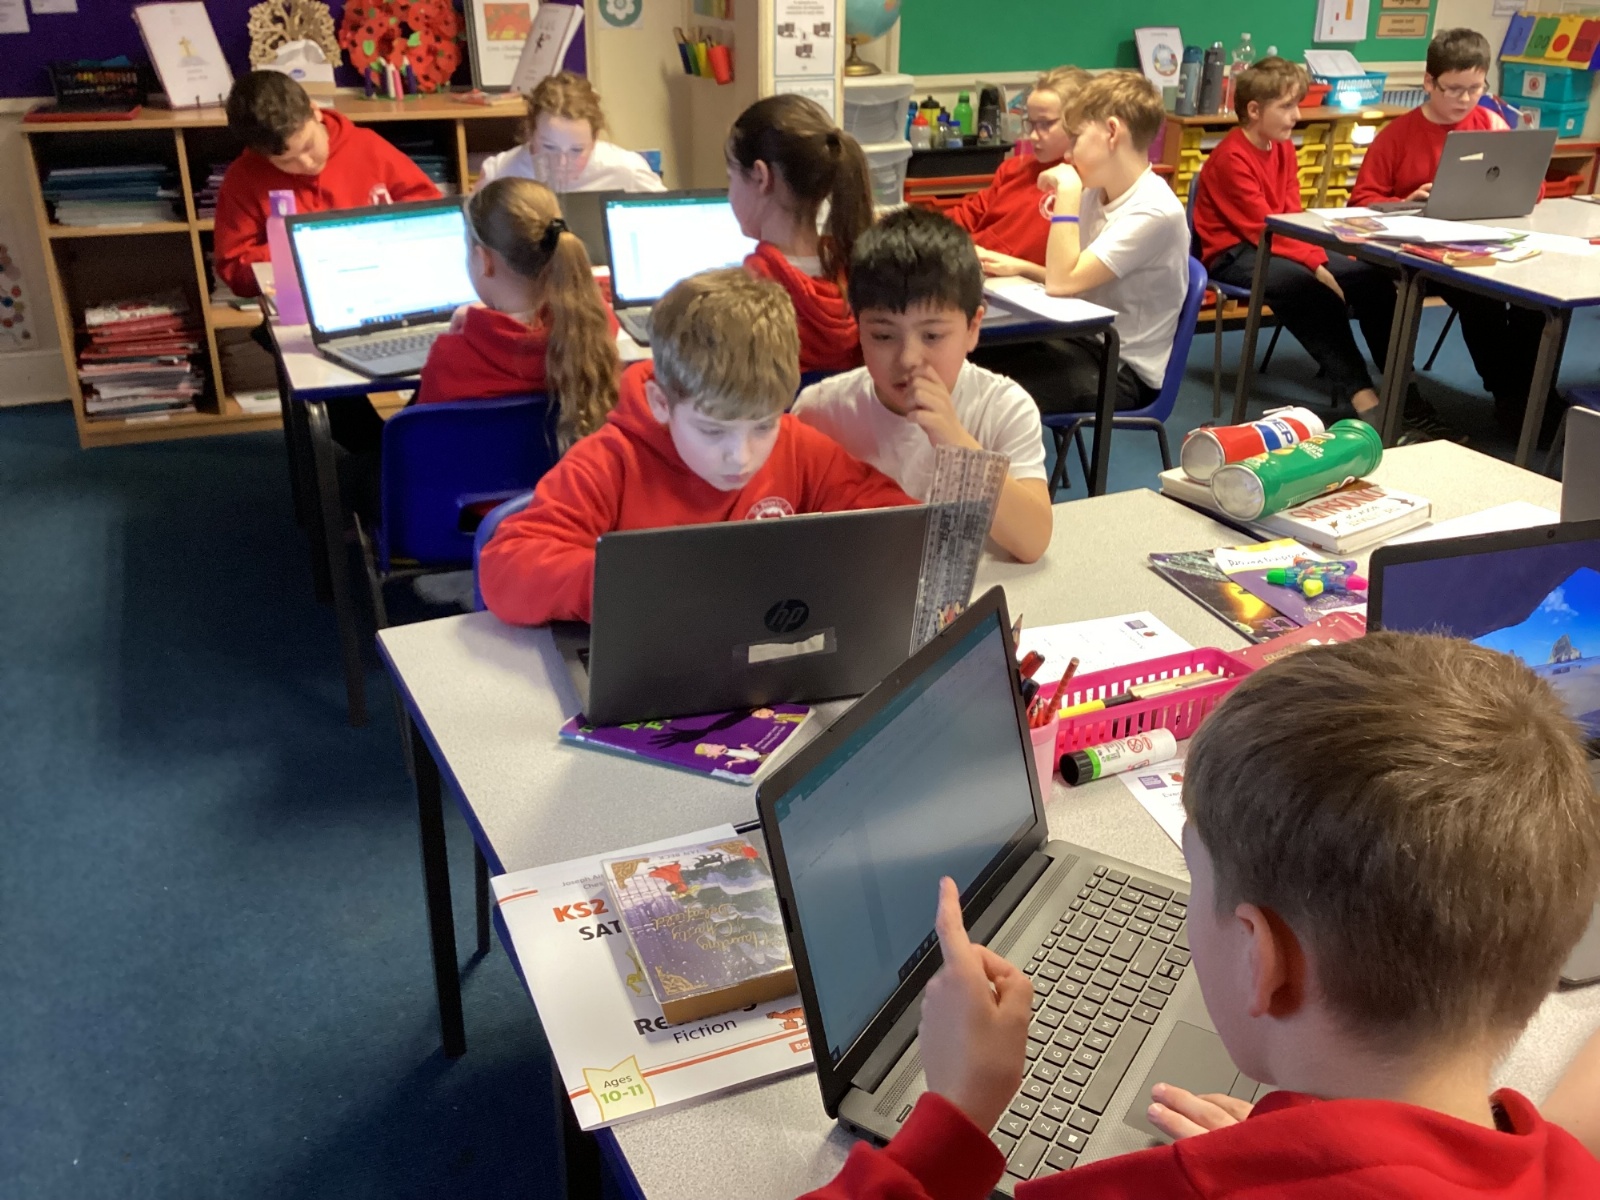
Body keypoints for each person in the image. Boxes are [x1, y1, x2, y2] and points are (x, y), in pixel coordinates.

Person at [801, 633, 1600, 1198]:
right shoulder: (1571, 1173)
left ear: (1262, 960)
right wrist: (1286, 1157)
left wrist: (951, 1120)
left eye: (1194, 880)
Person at [479, 270, 914, 626]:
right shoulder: (610, 463)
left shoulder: (797, 447)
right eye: (712, 431)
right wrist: (627, 586)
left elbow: (903, 526)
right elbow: (506, 566)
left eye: (762, 426)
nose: (741, 456)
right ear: (661, 404)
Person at [792, 207, 1052, 563]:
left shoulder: (1002, 406)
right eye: (883, 335)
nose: (909, 358)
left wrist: (956, 440)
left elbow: (1033, 541)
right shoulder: (820, 411)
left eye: (932, 335)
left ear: (973, 328)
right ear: (858, 327)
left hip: (969, 590)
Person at [1352, 27, 1551, 439]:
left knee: (1538, 301)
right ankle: (1515, 399)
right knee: (1480, 299)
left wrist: (1509, 172)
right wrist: (1405, 201)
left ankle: (1527, 397)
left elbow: (1534, 187)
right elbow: (1361, 203)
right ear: (1429, 82)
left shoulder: (1490, 124)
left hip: (1483, 244)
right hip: (1417, 253)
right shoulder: (1397, 136)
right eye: (1454, 89)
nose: (1465, 99)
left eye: (1475, 88)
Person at [1194, 58, 1410, 430]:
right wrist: (1316, 265)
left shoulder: (1281, 147)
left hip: (1281, 239)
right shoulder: (1230, 158)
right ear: (1254, 110)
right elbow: (1261, 228)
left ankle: (1402, 388)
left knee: (1369, 277)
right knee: (1307, 288)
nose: (1296, 115)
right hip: (1234, 251)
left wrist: (1316, 258)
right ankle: (1365, 399)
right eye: (1286, 106)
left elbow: (1291, 214)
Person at [416, 178, 618, 450]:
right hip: (573, 476)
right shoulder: (596, 326)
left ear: (484, 260)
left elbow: (423, 442)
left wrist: (476, 325)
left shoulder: (450, 358)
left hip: (483, 479)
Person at [1035, 70, 1189, 416]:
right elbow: (1073, 275)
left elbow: (1062, 282)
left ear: (1112, 132)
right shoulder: (1097, 191)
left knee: (988, 395)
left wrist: (1068, 192)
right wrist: (1020, 268)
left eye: (1075, 139)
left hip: (1120, 370)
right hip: (1081, 339)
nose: (1067, 155)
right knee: (973, 361)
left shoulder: (1156, 211)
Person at [213, 71, 440, 299]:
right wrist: (300, 248)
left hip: (381, 286)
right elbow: (234, 268)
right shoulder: (243, 178)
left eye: (308, 145)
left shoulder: (367, 146)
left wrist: (377, 234)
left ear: (315, 111)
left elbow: (432, 213)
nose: (306, 163)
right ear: (261, 154)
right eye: (286, 161)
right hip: (300, 300)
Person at [727, 94, 873, 375]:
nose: (729, 193)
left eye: (730, 177)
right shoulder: (857, 271)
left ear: (760, 176)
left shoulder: (750, 290)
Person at [952, 66, 1091, 283]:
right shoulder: (1015, 168)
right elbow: (967, 215)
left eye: (1045, 124)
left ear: (1080, 123)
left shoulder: (1088, 184)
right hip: (974, 272)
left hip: (1026, 287)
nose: (1034, 136)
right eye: (1031, 124)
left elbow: (1075, 276)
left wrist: (1020, 268)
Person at [477, 71, 665, 194]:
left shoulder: (626, 171)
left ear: (594, 139)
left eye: (577, 150)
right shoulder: (500, 174)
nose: (562, 163)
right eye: (549, 147)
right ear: (530, 133)